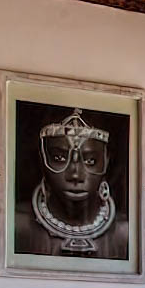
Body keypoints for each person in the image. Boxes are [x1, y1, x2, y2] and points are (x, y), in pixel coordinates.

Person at [15, 107, 129, 259]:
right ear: (42, 159)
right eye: (59, 158)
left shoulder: (126, 233)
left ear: (106, 162)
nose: (75, 174)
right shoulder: (16, 226)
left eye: (90, 160)